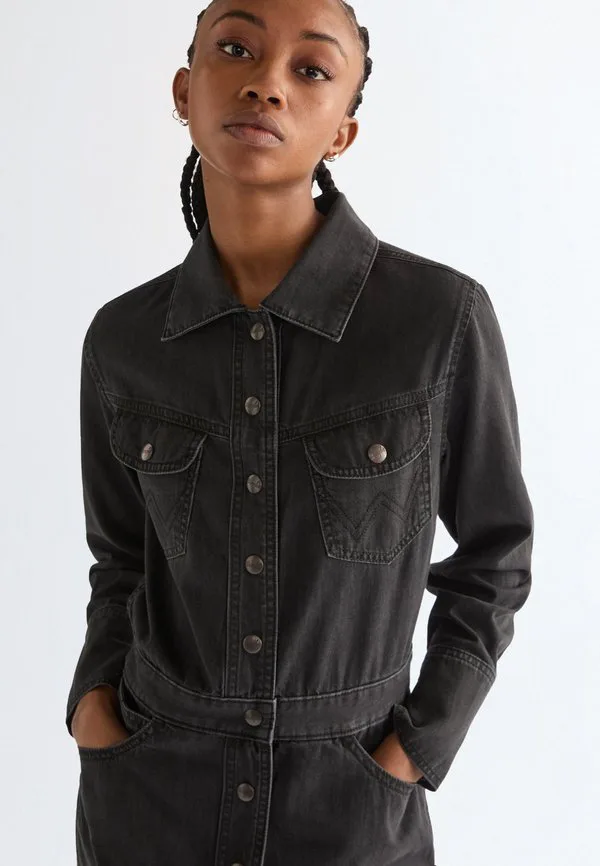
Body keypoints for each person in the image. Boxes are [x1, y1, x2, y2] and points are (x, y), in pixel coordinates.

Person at [65, 1, 535, 864]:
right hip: (148, 802)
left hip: (350, 810)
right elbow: (121, 559)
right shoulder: (125, 339)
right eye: (236, 48)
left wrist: (417, 744)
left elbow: (495, 558)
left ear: (342, 132)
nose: (266, 85)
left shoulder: (438, 322)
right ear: (184, 91)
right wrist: (93, 704)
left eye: (310, 69)